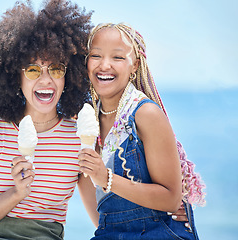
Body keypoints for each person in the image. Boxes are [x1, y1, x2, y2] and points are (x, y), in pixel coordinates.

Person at [0, 1, 97, 239]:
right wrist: (16, 193)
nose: (45, 80)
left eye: (56, 69)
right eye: (33, 70)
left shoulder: (80, 139)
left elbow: (100, 217)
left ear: (69, 76)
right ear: (16, 76)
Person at [77, 23, 205, 239]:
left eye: (117, 57)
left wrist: (105, 177)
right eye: (96, 55)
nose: (104, 65)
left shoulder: (145, 114)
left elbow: (171, 199)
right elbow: (102, 218)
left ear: (134, 65)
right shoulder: (87, 123)